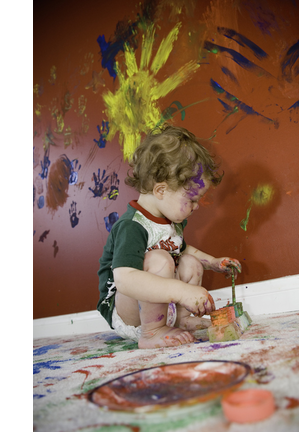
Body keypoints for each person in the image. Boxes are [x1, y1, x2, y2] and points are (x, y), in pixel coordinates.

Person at [97, 124, 241, 349]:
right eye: (192, 200)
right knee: (160, 259)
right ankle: (152, 332)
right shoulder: (132, 226)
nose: (196, 207)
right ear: (161, 191)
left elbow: (183, 249)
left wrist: (213, 262)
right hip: (127, 312)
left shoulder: (170, 222)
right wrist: (182, 291)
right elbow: (124, 280)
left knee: (189, 262)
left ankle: (181, 320)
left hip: (161, 307)